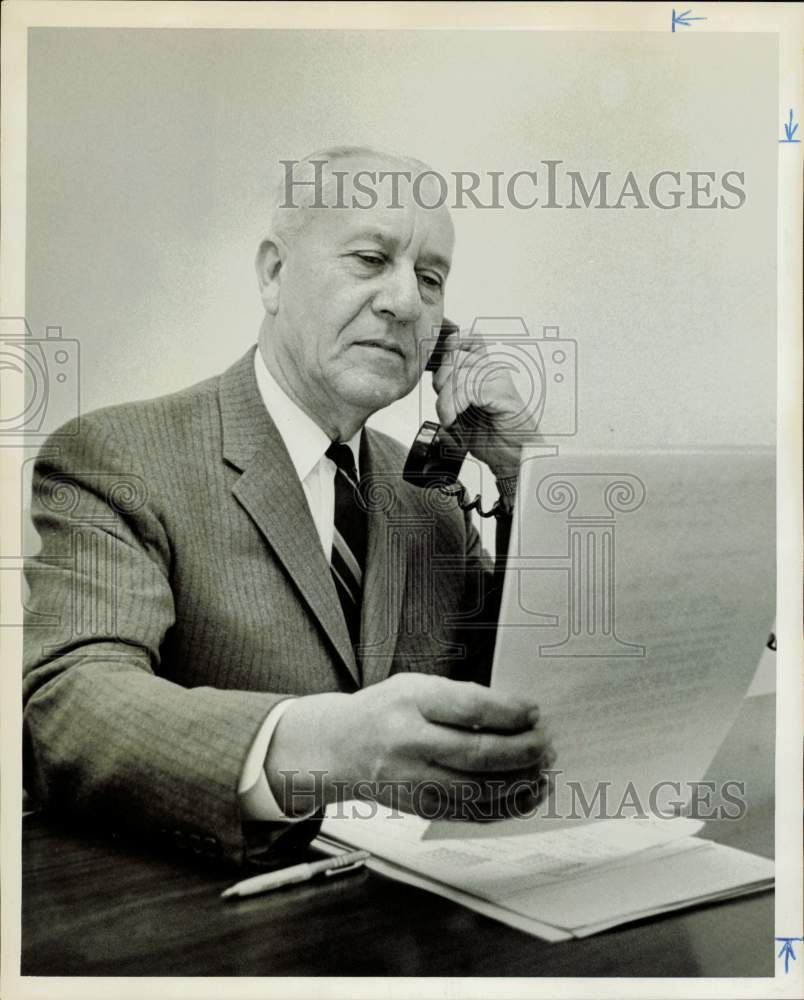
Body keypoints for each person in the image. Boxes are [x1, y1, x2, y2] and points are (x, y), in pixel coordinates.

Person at [23, 147, 554, 867]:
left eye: (430, 279)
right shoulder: (119, 455)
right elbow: (68, 707)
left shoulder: (431, 494)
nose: (405, 302)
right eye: (370, 259)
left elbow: (537, 699)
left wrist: (526, 472)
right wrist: (333, 745)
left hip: (414, 926)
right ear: (274, 273)